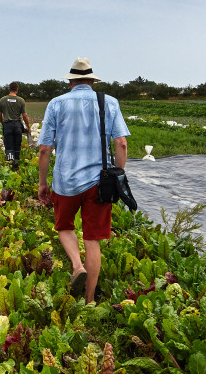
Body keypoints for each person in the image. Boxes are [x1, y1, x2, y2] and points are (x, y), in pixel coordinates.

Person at [37, 58, 129, 304]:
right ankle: (89, 300)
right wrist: (118, 175)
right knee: (92, 240)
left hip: (65, 181)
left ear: (70, 81)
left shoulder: (56, 104)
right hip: (99, 183)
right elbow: (121, 143)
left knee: (65, 227)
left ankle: (77, 266)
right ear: (91, 81)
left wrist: (42, 182)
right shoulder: (109, 103)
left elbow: (45, 148)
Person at [0, 82, 31, 169]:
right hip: (17, 126)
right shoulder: (21, 100)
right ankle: (16, 162)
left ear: (9, 89)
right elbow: (24, 115)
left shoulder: (2, 100)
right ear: (17, 89)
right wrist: (28, 127)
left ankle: (10, 163)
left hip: (7, 125)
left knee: (9, 145)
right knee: (17, 144)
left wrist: (3, 123)